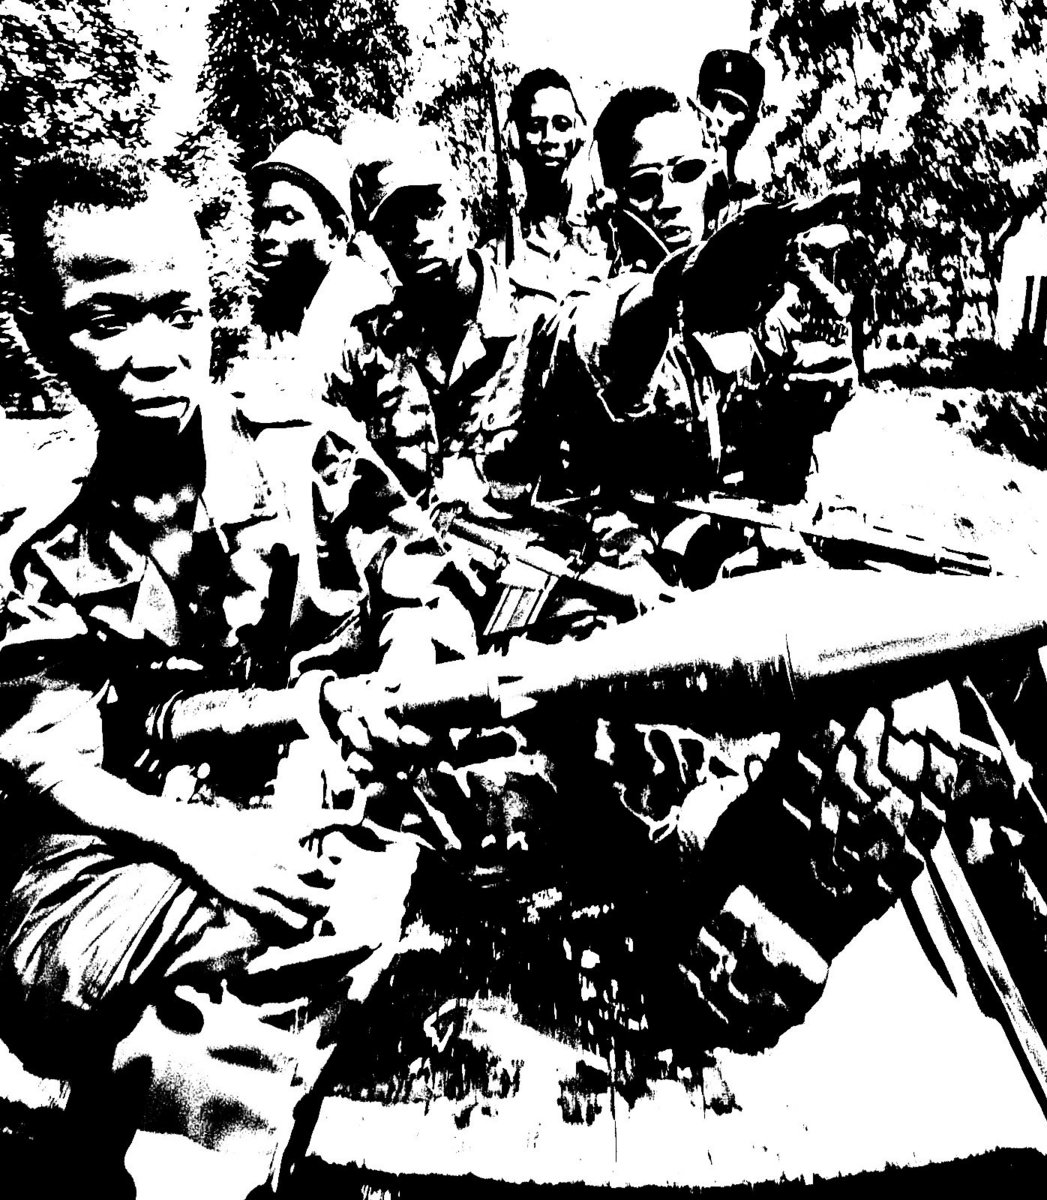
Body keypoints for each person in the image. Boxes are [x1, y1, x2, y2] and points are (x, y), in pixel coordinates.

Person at [0, 146, 474, 1198]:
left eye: (180, 312)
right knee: (264, 916)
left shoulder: (301, 450)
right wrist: (206, 842)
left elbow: (418, 576)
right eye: (107, 319)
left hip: (326, 794)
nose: (155, 353)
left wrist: (403, 669)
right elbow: (53, 760)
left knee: (352, 877)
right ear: (39, 335)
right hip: (135, 848)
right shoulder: (41, 540)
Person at [477, 85, 856, 578]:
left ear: (710, 179)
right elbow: (599, 334)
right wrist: (677, 284)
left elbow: (778, 471)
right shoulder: (582, 297)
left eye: (687, 173)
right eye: (644, 184)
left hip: (730, 547)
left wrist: (805, 400)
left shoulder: (757, 303)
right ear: (613, 202)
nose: (670, 200)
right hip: (613, 561)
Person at [326, 126, 523, 511]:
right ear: (378, 241)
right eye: (393, 223)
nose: (416, 235)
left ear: (464, 209)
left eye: (431, 210)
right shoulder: (367, 349)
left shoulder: (533, 323)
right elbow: (333, 485)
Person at [237, 130, 391, 408]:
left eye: (288, 218)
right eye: (262, 220)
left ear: (335, 232)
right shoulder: (272, 305)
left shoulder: (366, 308)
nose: (266, 235)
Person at [492, 68, 606, 311]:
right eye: (536, 126)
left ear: (579, 134)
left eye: (561, 125)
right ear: (515, 137)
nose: (550, 139)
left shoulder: (606, 238)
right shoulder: (498, 252)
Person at [696, 49, 767, 227]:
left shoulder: (753, 198)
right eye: (708, 102)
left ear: (750, 120)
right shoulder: (683, 186)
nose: (715, 114)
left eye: (731, 107)